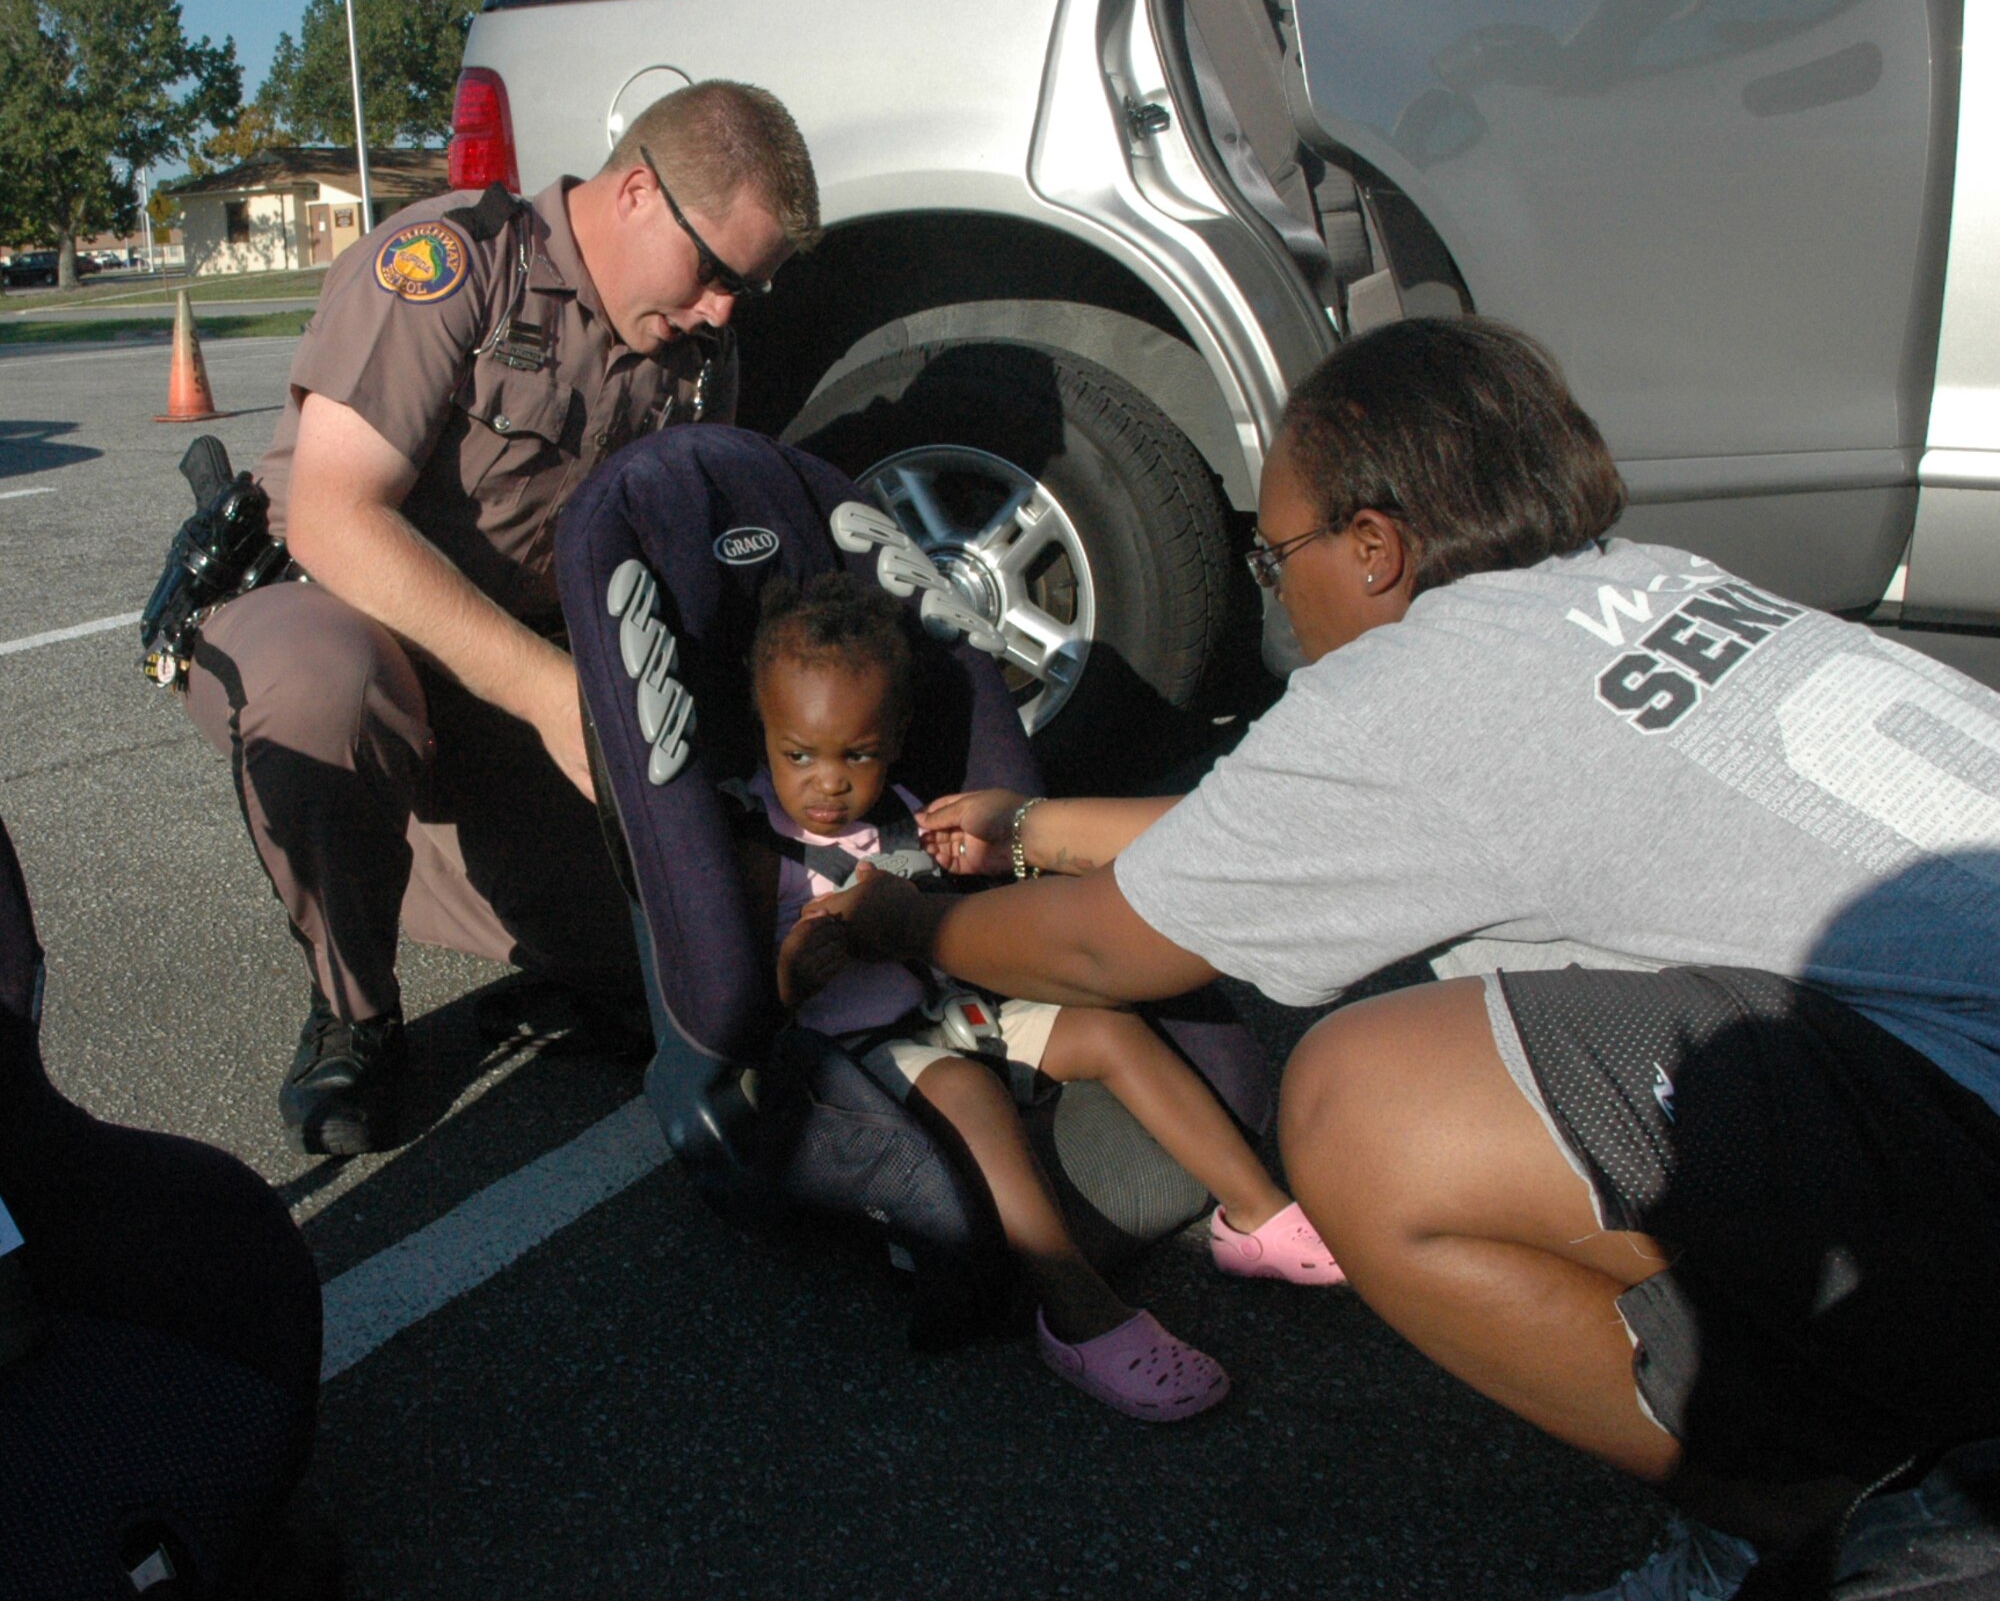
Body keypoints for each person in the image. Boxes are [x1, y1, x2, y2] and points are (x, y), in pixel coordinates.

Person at [827, 319, 2000, 1595]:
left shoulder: (1417, 686)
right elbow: (1281, 831)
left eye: (1278, 559)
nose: (1276, 596)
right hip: (1943, 1063)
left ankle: (1827, 1527)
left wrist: (894, 923)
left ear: (1373, 547)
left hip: (1969, 1161)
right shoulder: (1642, 588)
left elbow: (1104, 952)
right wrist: (1033, 830)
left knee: (1366, 1109)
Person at [182, 82, 820, 1155]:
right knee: (326, 686)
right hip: (328, 620)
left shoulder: (699, 357)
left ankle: (448, 862)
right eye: (713, 271)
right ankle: (353, 1011)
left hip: (500, 677)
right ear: (633, 193)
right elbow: (333, 520)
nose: (722, 308)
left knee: (672, 959)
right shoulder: (452, 264)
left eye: (743, 288)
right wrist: (552, 696)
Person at [739, 573, 1341, 1421]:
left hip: (954, 1001)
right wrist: (805, 953)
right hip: (858, 1049)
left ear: (894, 742)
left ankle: (1258, 1214)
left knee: (1108, 1031)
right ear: (766, 736)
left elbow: (968, 915)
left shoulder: (915, 810)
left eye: (857, 756)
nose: (828, 783)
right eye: (799, 755)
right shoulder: (759, 844)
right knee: (969, 1092)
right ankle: (1080, 1312)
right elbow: (768, 998)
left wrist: (953, 870)